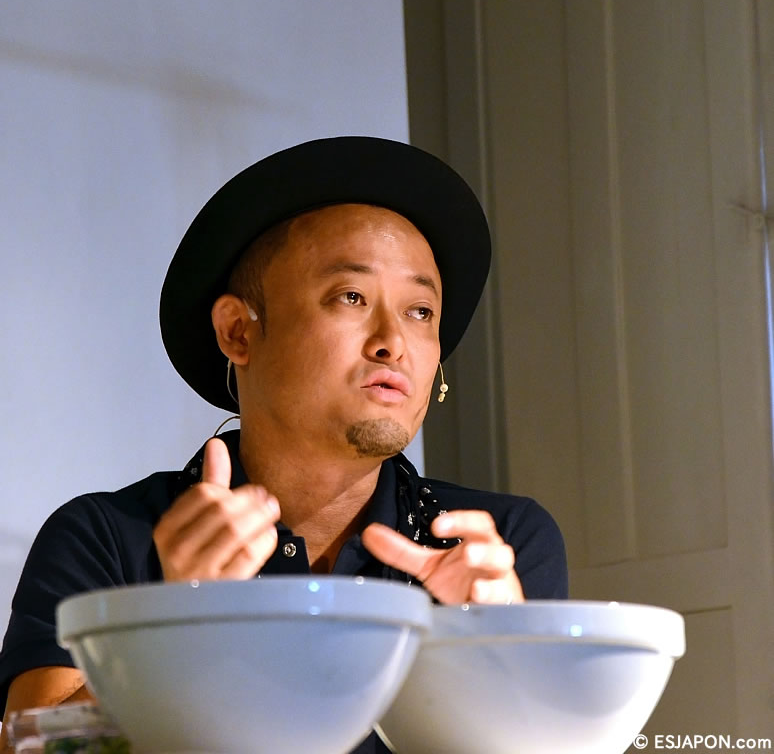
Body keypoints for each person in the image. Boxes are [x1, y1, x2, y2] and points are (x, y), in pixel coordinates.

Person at [0, 136, 567, 753]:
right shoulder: (107, 537)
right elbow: (29, 746)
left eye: (421, 311)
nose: (393, 342)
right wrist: (172, 636)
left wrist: (510, 663)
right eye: (351, 297)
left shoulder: (500, 544)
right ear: (238, 332)